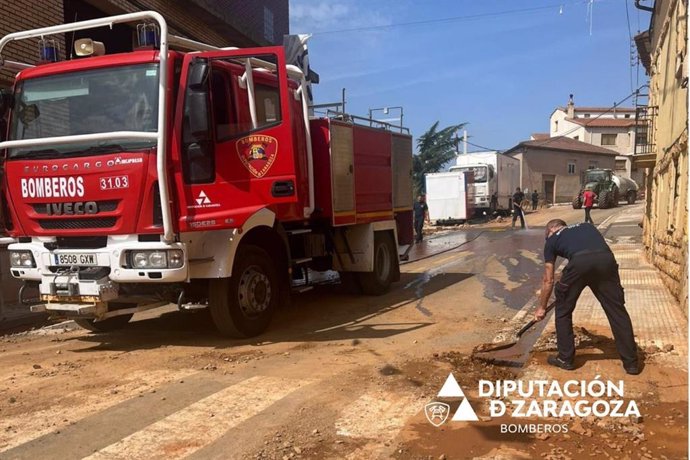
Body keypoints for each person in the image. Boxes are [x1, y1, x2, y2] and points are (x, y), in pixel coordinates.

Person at [535, 219, 639, 375]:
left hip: (579, 263)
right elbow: (590, 250)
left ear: (551, 229)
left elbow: (548, 280)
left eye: (546, 234)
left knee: (563, 311)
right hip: (606, 261)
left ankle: (565, 359)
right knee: (617, 310)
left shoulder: (552, 239)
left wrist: (541, 308)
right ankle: (631, 364)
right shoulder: (587, 226)